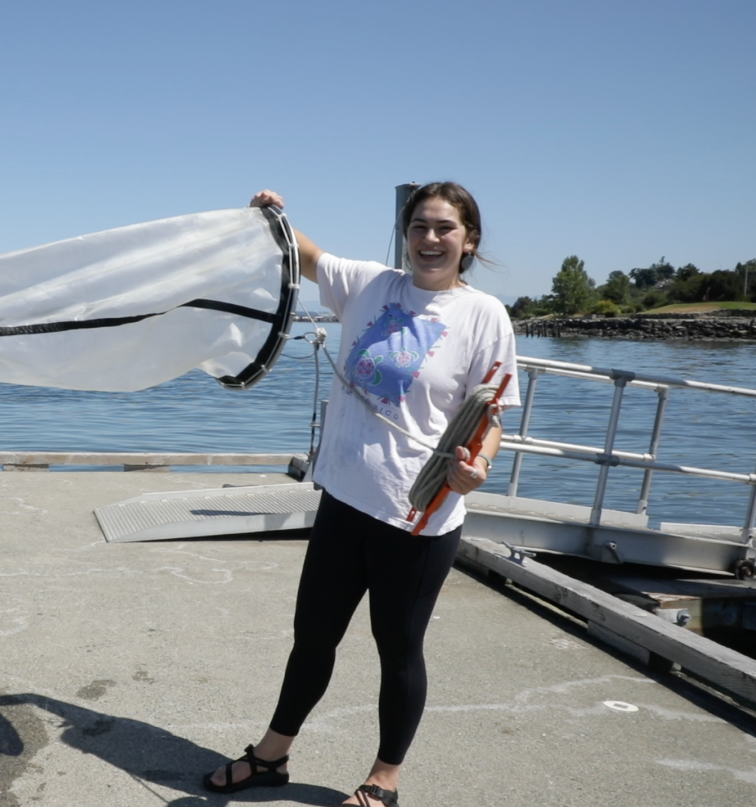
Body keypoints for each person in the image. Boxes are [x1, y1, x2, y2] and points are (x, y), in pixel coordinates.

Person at [202, 184, 520, 807]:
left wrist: (476, 467)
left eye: (445, 229)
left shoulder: (484, 316)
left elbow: (493, 418)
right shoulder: (371, 286)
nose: (431, 239)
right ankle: (271, 756)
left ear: (470, 240)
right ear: (406, 233)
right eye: (420, 226)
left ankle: (384, 780)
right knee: (313, 636)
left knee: (397, 651)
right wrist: (268, 216)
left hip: (417, 514)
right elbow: (303, 253)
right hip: (345, 497)